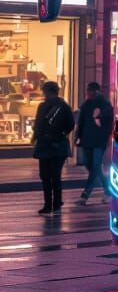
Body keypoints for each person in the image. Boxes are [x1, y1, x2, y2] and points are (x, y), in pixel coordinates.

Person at [31, 81, 74, 215]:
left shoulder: (43, 107)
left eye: (44, 92)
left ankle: (49, 204)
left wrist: (36, 137)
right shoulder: (64, 106)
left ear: (48, 92)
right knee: (55, 176)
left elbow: (38, 125)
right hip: (59, 145)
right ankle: (56, 203)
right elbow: (71, 125)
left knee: (45, 176)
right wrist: (61, 134)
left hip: (45, 145)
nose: (44, 95)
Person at [74, 81, 113, 205]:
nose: (88, 93)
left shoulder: (104, 104)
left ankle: (85, 195)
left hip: (97, 140)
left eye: (90, 91)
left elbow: (108, 118)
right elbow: (81, 122)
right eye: (88, 90)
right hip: (88, 140)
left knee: (95, 167)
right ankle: (108, 191)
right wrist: (78, 136)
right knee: (92, 167)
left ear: (96, 91)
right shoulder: (87, 104)